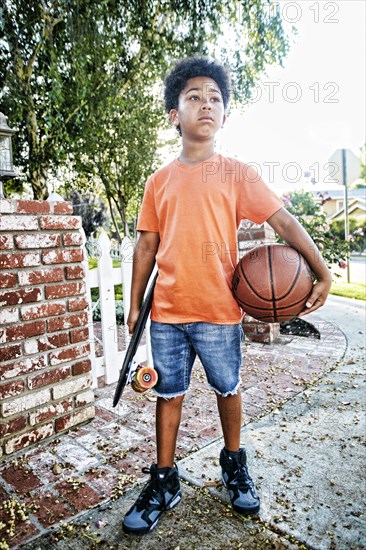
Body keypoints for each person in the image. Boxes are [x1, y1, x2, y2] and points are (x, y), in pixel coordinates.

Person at [122, 57, 332, 535]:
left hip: (220, 312)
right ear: (174, 114)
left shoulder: (237, 173)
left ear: (224, 115)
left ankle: (233, 463)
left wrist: (320, 271)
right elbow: (146, 246)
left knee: (228, 390)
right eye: (194, 96)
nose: (206, 104)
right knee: (168, 395)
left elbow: (282, 221)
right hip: (168, 315)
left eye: (215, 98)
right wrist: (134, 304)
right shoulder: (159, 181)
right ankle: (164, 479)